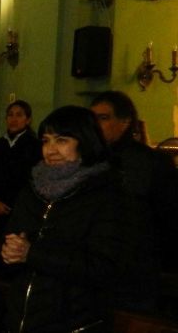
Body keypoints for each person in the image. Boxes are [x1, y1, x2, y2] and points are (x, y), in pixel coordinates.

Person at [2, 106, 132, 332]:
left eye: (61, 140)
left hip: (75, 321)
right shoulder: (33, 189)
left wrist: (31, 253)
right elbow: (12, 241)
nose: (50, 150)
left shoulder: (105, 194)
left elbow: (104, 266)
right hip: (24, 318)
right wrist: (7, 252)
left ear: (84, 142)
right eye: (45, 141)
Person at [90, 91, 178, 312]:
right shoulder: (88, 160)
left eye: (103, 118)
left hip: (135, 270)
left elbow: (168, 216)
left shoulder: (150, 162)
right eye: (93, 119)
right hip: (94, 268)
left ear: (125, 122)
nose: (96, 125)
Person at [0, 100, 41, 275]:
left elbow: (32, 180)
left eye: (19, 115)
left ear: (28, 120)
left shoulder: (35, 146)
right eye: (10, 115)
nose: (14, 119)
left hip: (20, 209)